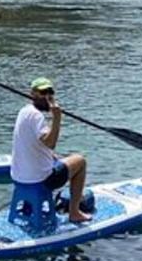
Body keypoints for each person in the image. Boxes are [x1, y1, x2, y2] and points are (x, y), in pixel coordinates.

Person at [11, 77, 91, 223]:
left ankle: (29, 205)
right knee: (80, 161)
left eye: (50, 92)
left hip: (19, 179)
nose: (47, 96)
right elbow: (51, 143)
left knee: (62, 158)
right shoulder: (37, 116)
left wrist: (52, 156)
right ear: (33, 94)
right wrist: (57, 117)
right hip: (41, 180)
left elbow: (37, 144)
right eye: (43, 92)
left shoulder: (24, 112)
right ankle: (75, 213)